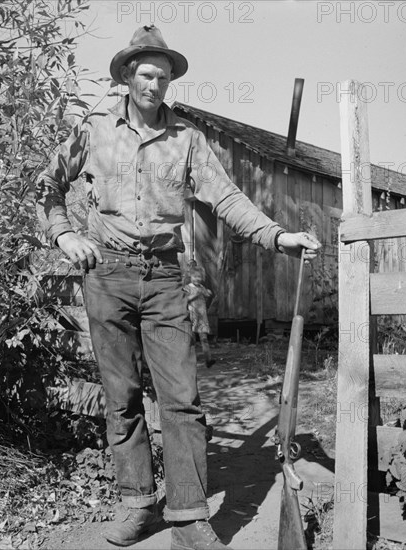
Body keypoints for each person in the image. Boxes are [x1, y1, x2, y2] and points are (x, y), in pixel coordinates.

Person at [36, 24, 321, 550]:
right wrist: (64, 233)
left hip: (166, 278)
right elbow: (46, 184)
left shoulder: (187, 139)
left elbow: (228, 199)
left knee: (182, 399)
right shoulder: (94, 130)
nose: (154, 84)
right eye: (146, 74)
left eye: (163, 76)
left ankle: (189, 516)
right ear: (127, 75)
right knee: (121, 398)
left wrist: (278, 237)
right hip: (107, 275)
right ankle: (135, 505)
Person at [183, 261, 215, 368]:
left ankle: (208, 359)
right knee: (191, 340)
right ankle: (189, 360)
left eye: (199, 277)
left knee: (204, 339)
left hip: (202, 317)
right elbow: (185, 300)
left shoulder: (201, 287)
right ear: (191, 276)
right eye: (195, 277)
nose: (197, 279)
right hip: (192, 317)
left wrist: (208, 294)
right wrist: (195, 295)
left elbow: (206, 295)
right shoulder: (188, 287)